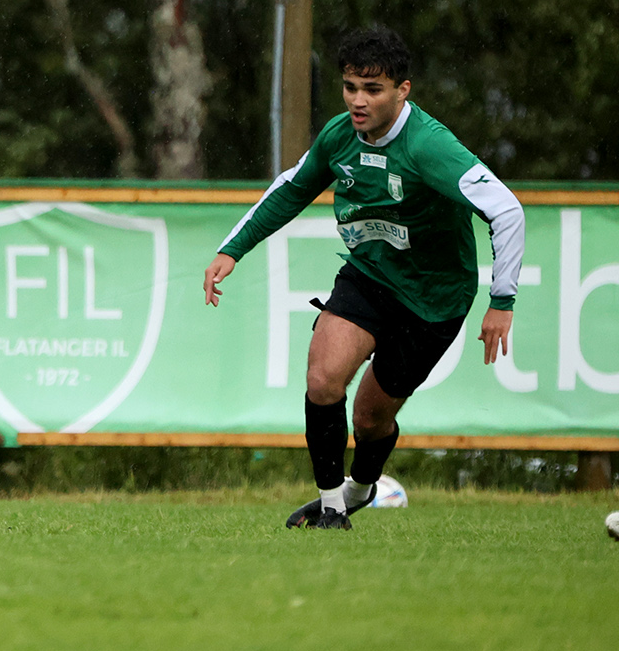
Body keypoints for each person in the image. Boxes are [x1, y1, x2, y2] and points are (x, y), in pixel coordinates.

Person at [204, 27, 524, 529]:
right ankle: (332, 509)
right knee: (322, 376)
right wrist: (233, 250)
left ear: (403, 91)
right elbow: (292, 188)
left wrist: (501, 301)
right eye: (351, 86)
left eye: (372, 90)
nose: (358, 100)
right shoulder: (339, 137)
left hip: (433, 299)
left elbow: (506, 211)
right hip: (369, 276)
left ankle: (359, 488)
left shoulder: (430, 147)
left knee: (371, 418)